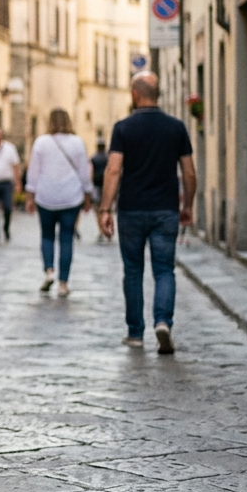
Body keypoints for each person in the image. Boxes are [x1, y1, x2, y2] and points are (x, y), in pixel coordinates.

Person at [98, 72, 195, 354]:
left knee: (133, 271)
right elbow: (189, 172)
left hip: (131, 209)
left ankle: (135, 333)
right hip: (165, 209)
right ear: (158, 95)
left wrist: (105, 208)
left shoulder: (123, 128)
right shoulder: (176, 127)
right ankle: (163, 322)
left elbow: (114, 169)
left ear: (134, 94)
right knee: (164, 269)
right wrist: (187, 205)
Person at [24, 108, 93, 297]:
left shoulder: (41, 142)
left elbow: (33, 172)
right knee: (66, 238)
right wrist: (88, 195)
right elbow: (84, 173)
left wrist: (30, 196)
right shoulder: (78, 142)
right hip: (71, 197)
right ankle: (63, 283)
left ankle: (49, 271)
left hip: (46, 197)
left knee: (46, 235)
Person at [90, 141, 111, 243]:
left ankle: (101, 230)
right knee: (108, 208)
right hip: (108, 186)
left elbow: (91, 173)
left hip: (97, 186)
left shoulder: (93, 158)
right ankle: (108, 230)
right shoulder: (109, 158)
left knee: (98, 210)